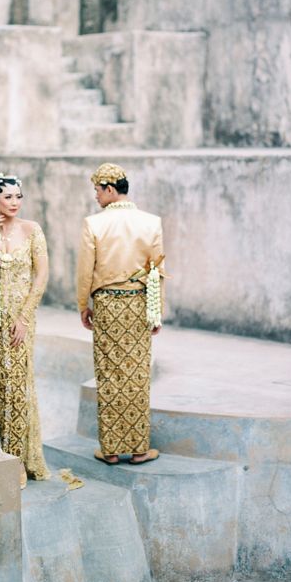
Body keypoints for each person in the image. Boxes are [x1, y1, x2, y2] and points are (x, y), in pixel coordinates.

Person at [76, 163, 165, 465]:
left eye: (97, 191)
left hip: (107, 305)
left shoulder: (94, 224)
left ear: (110, 189)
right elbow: (157, 272)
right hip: (139, 304)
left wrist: (82, 305)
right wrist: (156, 312)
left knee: (109, 373)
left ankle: (110, 450)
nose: (96, 197)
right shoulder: (151, 222)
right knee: (137, 375)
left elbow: (85, 271)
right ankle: (140, 449)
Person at [0, 171, 50, 487]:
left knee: (18, 389)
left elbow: (41, 276)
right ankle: (1, 459)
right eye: (8, 197)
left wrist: (25, 318)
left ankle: (18, 462)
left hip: (20, 321)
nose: (15, 202)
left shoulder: (33, 231)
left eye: (19, 196)